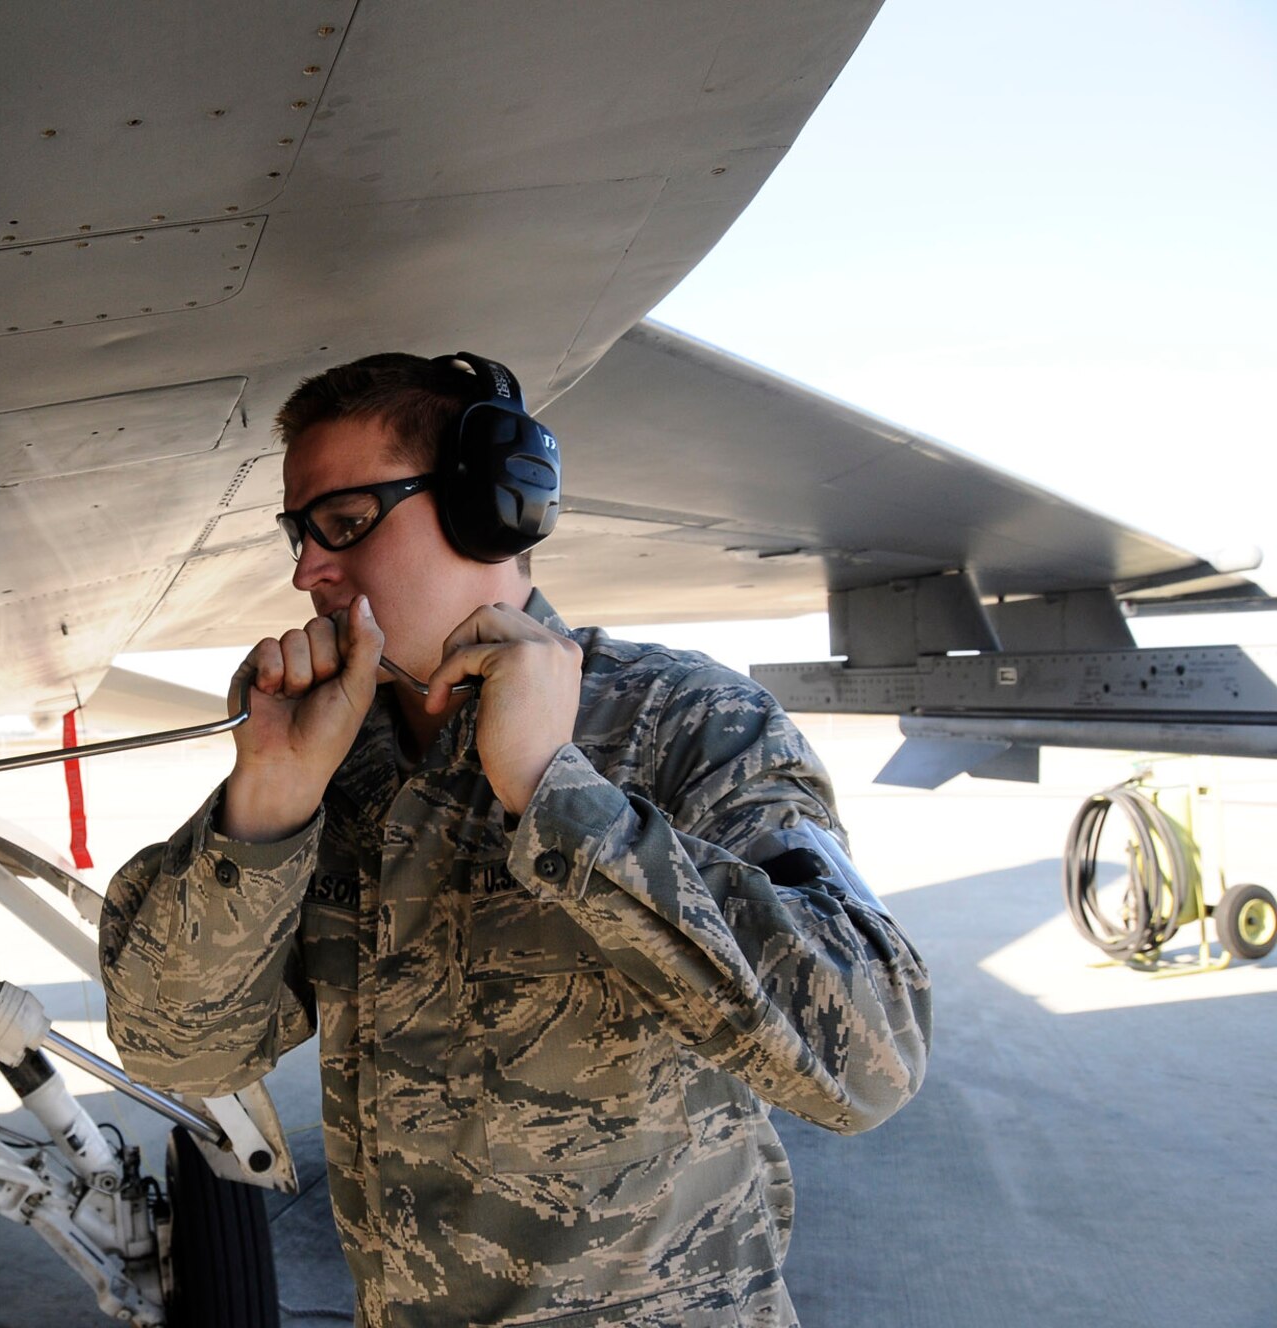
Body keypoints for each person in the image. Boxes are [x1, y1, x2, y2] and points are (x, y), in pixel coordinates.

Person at [98, 353, 930, 1328]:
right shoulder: (334, 760)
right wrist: (267, 801)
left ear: (488, 507)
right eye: (300, 532)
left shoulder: (683, 720)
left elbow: (872, 1054)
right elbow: (178, 1050)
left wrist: (555, 793)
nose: (305, 570)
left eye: (344, 523)